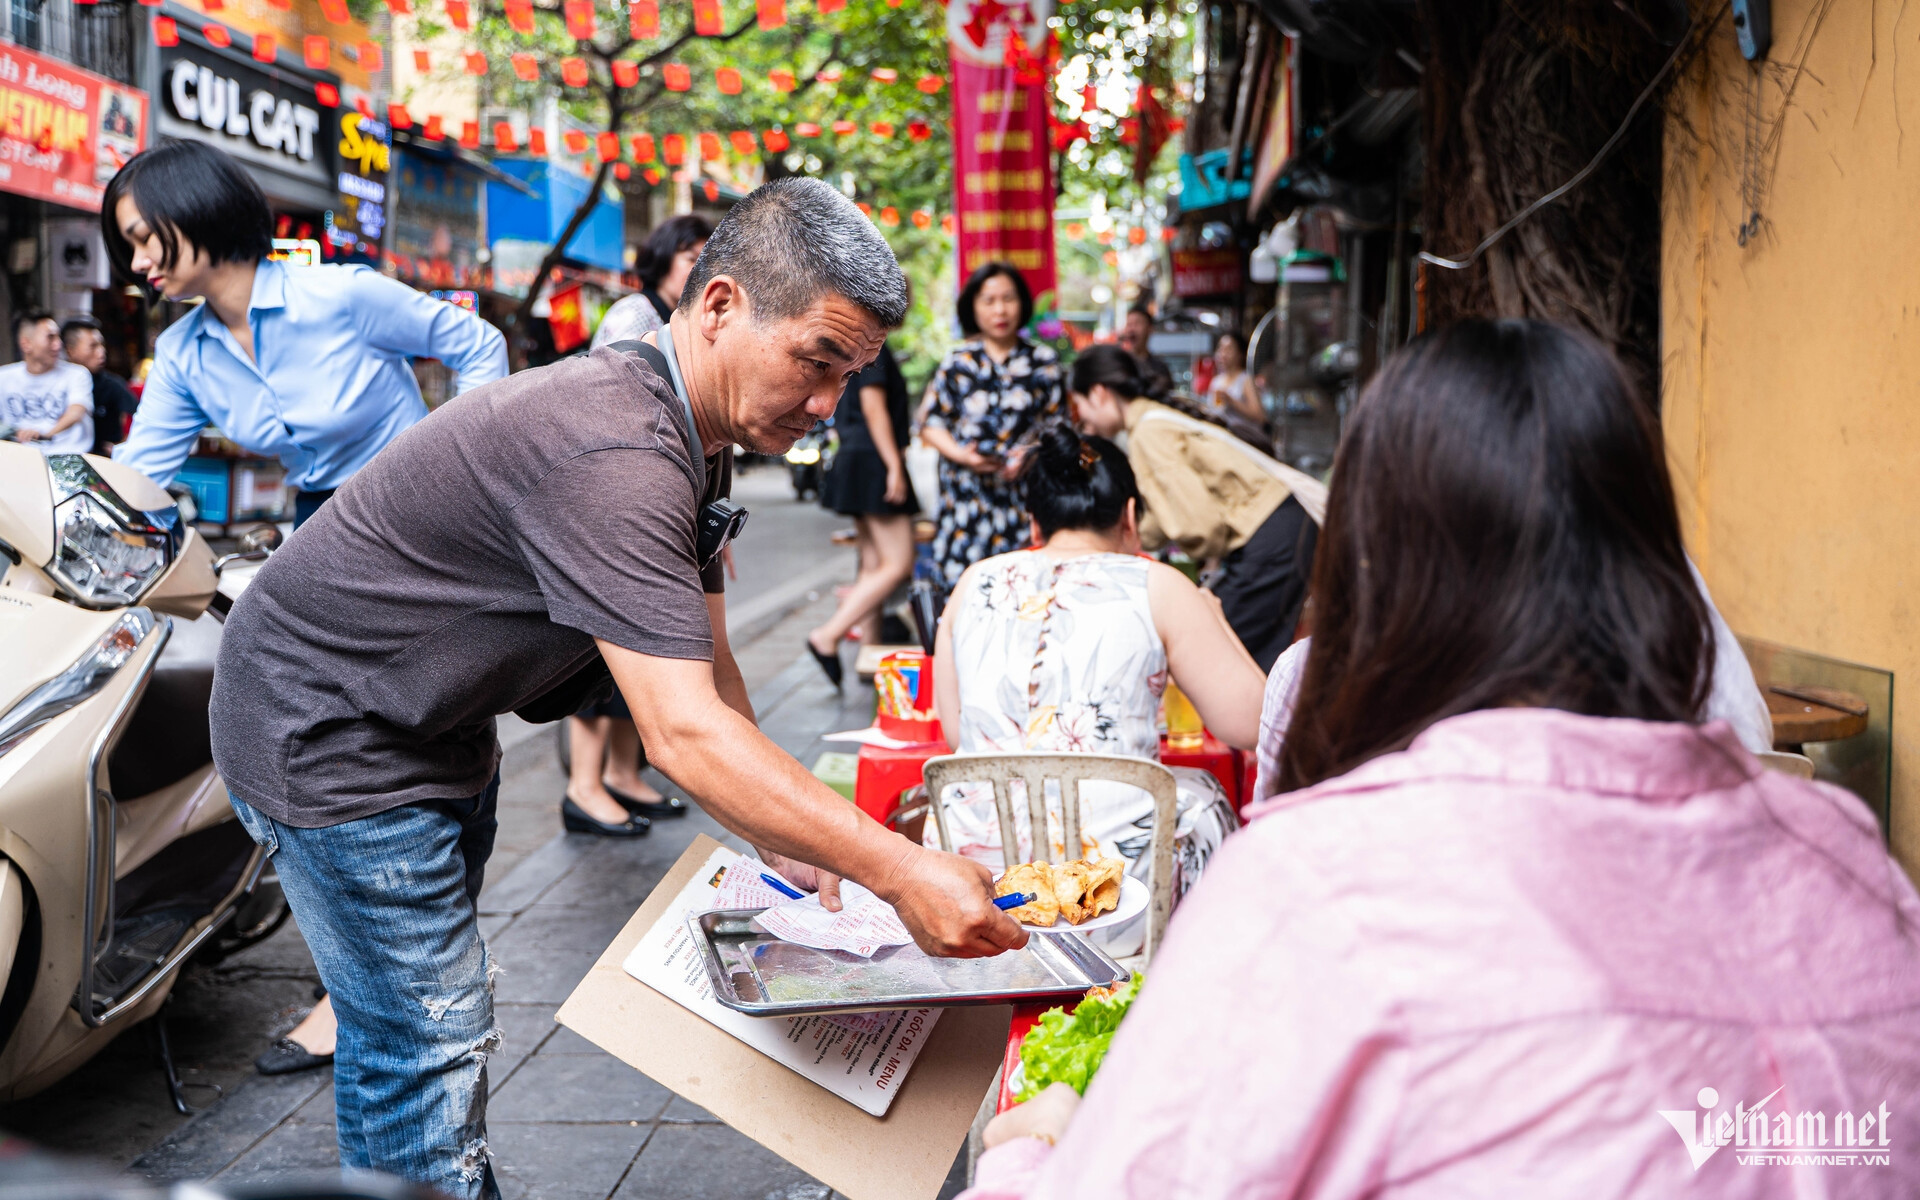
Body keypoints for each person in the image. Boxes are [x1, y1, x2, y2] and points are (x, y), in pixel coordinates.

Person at [961, 319, 1920, 1198]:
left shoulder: (1318, 886)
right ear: (1649, 557)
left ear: (1378, 567)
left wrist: (1039, 1152)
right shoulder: (1849, 864)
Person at [206, 177, 1025, 1198]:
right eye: (817, 362)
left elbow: (713, 671)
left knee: (430, 1016)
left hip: (429, 720)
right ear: (721, 306)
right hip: (325, 729)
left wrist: (796, 843)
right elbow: (682, 737)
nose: (826, 406)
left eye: (849, 376)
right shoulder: (615, 447)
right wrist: (900, 873)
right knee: (423, 1038)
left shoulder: (702, 432)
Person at [929, 422, 1263, 952]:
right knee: (1208, 796)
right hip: (1117, 895)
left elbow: (956, 734)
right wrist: (1213, 618)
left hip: (978, 885)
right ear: (1130, 515)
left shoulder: (975, 579)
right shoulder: (1157, 582)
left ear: (1034, 522)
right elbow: (1250, 723)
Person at [106, 141, 507, 528]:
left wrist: (456, 468)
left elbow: (480, 345)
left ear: (196, 208)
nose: (138, 262)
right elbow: (139, 478)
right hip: (317, 518)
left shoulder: (342, 294)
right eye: (130, 247)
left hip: (412, 497)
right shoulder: (180, 353)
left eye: (144, 238)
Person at [564, 216, 717, 831]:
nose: (699, 268)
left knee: (654, 653)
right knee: (599, 660)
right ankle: (584, 785)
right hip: (609, 508)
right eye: (689, 257)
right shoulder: (635, 317)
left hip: (664, 508)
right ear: (660, 261)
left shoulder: (692, 333)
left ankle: (625, 777)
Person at [1070, 344, 1320, 671]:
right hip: (1287, 530)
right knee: (1252, 662)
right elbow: (1172, 511)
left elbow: (1197, 525)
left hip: (1270, 540)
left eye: (1079, 407)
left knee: (1216, 659)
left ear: (1099, 393)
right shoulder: (1156, 418)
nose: (1085, 423)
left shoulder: (1147, 431)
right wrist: (1127, 537)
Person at [921, 262, 1064, 589]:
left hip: (1023, 501)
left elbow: (1058, 428)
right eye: (989, 300)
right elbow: (931, 423)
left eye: (1008, 298)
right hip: (965, 502)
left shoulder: (1043, 362)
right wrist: (961, 454)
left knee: (1024, 594)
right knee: (964, 593)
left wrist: (1029, 456)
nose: (1000, 309)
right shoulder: (958, 363)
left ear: (1022, 303)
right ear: (973, 306)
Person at [805, 339, 918, 687]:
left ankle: (870, 654)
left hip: (857, 457)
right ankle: (828, 634)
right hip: (873, 461)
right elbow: (874, 407)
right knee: (898, 562)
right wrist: (894, 465)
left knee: (872, 565)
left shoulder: (856, 347)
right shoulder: (876, 350)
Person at [591, 214, 712, 351]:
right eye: (691, 259)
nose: (699, 271)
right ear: (663, 257)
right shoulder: (637, 312)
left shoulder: (672, 321)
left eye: (706, 264)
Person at [0, 310, 93, 454]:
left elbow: (76, 411)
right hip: (17, 459)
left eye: (58, 337)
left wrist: (44, 433)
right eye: (50, 338)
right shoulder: (4, 377)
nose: (58, 344)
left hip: (68, 459)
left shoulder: (77, 374)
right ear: (26, 344)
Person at [60, 316, 139, 454]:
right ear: (70, 351)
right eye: (93, 346)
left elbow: (143, 416)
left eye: (101, 344)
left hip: (104, 463)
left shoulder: (112, 384)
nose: (102, 351)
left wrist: (123, 446)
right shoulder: (57, 383)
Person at [1202, 331, 1269, 452]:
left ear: (1240, 354)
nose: (1223, 354)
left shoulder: (1246, 380)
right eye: (1220, 349)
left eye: (1228, 349)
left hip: (1246, 444)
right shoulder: (1216, 382)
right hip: (1225, 443)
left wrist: (1232, 401)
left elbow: (1260, 416)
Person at [1114, 303, 1173, 400]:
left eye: (1137, 324)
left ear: (1150, 329)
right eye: (1129, 324)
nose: (1131, 329)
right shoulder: (1119, 364)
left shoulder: (1159, 367)